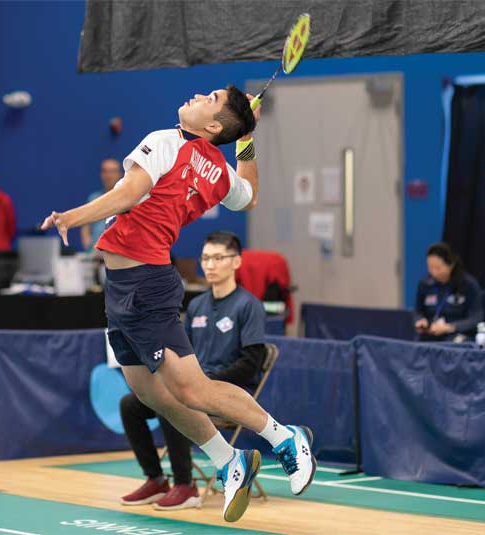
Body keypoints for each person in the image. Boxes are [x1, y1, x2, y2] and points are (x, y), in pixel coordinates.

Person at [41, 85, 316, 523]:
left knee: (191, 388)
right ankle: (230, 462)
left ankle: (284, 437)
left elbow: (130, 193)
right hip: (124, 285)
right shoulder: (217, 170)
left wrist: (72, 216)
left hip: (145, 284)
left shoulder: (165, 141)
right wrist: (246, 138)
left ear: (211, 125)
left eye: (210, 98)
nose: (198, 94)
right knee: (149, 391)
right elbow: (248, 193)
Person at [119, 231, 266, 511]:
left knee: (174, 399)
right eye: (206, 258)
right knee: (131, 404)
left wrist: (203, 385)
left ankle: (186, 486)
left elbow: (251, 363)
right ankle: (156, 479)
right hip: (193, 386)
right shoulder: (196, 304)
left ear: (236, 262)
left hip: (225, 393)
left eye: (218, 258)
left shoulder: (249, 306)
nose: (209, 265)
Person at [415, 242, 484, 342]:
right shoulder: (425, 284)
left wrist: (450, 327)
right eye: (430, 268)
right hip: (430, 335)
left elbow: (476, 317)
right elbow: (418, 311)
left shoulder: (468, 285)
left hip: (457, 336)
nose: (434, 272)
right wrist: (420, 320)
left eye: (438, 268)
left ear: (451, 264)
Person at [81, 159, 122, 253]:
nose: (109, 175)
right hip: (94, 254)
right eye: (105, 171)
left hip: (118, 255)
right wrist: (89, 245)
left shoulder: (128, 199)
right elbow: (85, 226)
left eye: (112, 171)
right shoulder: (93, 198)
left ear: (120, 174)